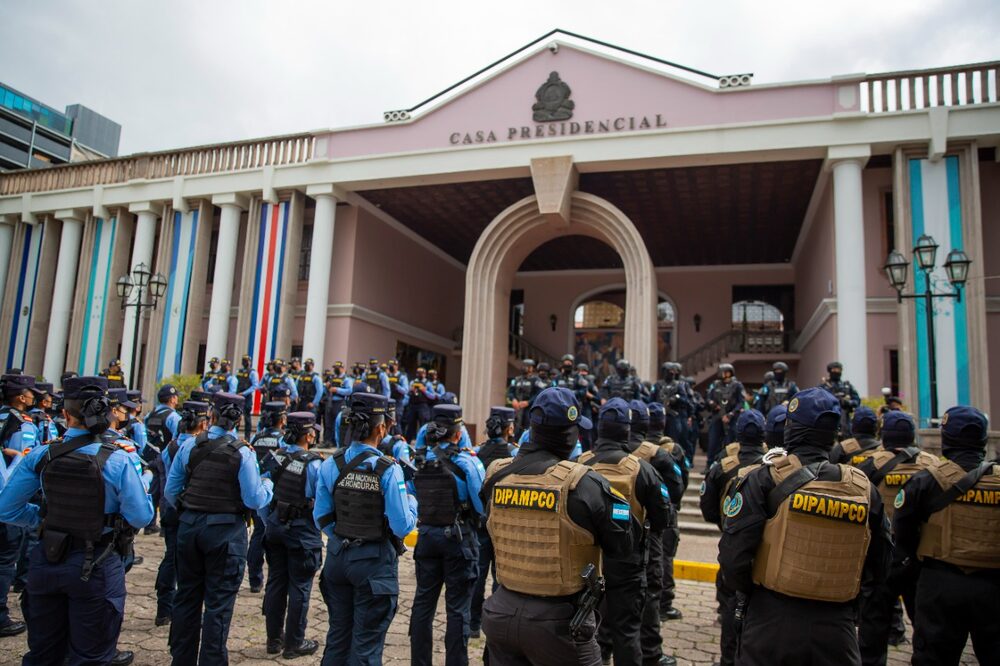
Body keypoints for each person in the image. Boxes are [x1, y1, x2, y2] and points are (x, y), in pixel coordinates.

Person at [718, 388, 891, 666]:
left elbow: (733, 557)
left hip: (770, 620)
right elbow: (881, 564)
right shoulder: (863, 488)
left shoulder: (763, 480)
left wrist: (752, 596)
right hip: (838, 626)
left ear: (791, 429)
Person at [0, 375, 153, 664]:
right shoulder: (118, 459)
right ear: (106, 413)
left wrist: (45, 519)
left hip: (47, 557)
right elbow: (141, 516)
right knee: (91, 656)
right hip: (97, 563)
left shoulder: (43, 454)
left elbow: (7, 508)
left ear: (65, 414)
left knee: (44, 653)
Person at [480, 387, 633, 665]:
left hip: (500, 614)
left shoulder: (497, 475)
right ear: (570, 436)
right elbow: (623, 545)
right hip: (559, 624)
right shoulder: (584, 484)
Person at [164, 392, 274, 665]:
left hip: (189, 528)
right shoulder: (243, 452)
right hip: (225, 533)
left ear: (210, 415)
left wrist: (191, 511)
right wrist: (268, 485)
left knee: (186, 597)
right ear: (239, 420)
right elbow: (254, 499)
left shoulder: (189, 445)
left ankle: (181, 659)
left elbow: (171, 491)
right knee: (218, 606)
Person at [313, 392, 417, 664]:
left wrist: (344, 537)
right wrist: (412, 503)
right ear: (381, 429)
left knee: (337, 637)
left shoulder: (331, 463)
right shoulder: (388, 470)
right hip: (373, 563)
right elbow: (401, 526)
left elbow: (321, 517)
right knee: (366, 646)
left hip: (337, 559)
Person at [892, 405, 999, 666]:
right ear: (982, 439)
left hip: (940, 582)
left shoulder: (926, 481)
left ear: (946, 438)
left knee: (933, 658)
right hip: (994, 585)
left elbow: (903, 531)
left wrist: (915, 565)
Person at [579, 398, 672, 666]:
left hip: (586, 565)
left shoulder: (578, 464)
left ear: (600, 427)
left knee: (587, 631)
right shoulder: (643, 470)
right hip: (627, 565)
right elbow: (662, 519)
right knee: (627, 632)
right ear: (627, 430)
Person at [855, 411, 937, 665]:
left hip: (881, 555)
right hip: (920, 556)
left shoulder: (870, 465)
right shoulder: (934, 466)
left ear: (884, 435)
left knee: (873, 626)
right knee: (928, 628)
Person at [410, 403, 486, 666]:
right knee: (457, 609)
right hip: (459, 540)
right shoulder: (467, 462)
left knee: (423, 605)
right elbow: (481, 507)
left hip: (426, 537)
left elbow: (412, 495)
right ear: (458, 434)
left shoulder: (419, 461)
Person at [699, 408, 771, 666]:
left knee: (731, 605)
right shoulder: (776, 467)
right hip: (769, 555)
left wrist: (728, 525)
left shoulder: (723, 466)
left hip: (732, 547)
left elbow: (708, 509)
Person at [261, 412, 324, 659]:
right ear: (308, 436)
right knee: (300, 587)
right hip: (302, 530)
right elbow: (322, 504)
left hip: (276, 525)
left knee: (276, 582)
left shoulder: (276, 457)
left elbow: (263, 495)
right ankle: (294, 643)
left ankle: (273, 639)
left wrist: (270, 520)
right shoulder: (315, 464)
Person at [626, 400, 683, 666]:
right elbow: (676, 490)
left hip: (614, 534)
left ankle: (604, 647)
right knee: (650, 589)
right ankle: (650, 652)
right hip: (649, 532)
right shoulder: (661, 454)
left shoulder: (603, 454)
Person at [155, 400, 210, 627]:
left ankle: (163, 608)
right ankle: (183, 612)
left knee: (171, 557)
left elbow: (168, 483)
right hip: (191, 510)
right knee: (191, 564)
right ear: (203, 423)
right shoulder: (198, 448)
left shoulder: (171, 446)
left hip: (170, 507)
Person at [470, 406, 516, 638]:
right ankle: (496, 624)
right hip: (503, 523)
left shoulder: (477, 452)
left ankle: (472, 624)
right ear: (509, 428)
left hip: (481, 521)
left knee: (478, 575)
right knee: (501, 576)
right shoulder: (514, 453)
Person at [0, 373, 39, 640]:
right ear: (21, 397)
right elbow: (23, 466)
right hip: (8, 496)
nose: (34, 396)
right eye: (31, 392)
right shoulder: (22, 424)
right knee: (5, 559)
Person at [646, 402, 688, 623]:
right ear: (662, 422)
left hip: (642, 511)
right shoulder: (673, 449)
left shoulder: (638, 448)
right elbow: (682, 481)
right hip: (666, 511)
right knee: (665, 556)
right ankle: (664, 604)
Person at [248, 401, 288, 593]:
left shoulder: (256, 437)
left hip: (257, 489)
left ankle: (255, 579)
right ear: (282, 419)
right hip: (275, 493)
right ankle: (275, 578)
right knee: (273, 537)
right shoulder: (283, 440)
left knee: (258, 534)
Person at [705, 363, 745, 471]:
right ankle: (709, 466)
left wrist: (731, 414)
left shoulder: (737, 385)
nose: (722, 374)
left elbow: (741, 402)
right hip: (717, 416)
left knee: (730, 444)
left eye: (724, 372)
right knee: (713, 442)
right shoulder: (715, 385)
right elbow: (708, 398)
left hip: (731, 418)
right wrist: (713, 404)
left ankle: (729, 466)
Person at [819, 361, 861, 439]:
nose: (837, 372)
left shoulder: (847, 386)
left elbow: (857, 401)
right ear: (830, 371)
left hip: (845, 421)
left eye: (839, 370)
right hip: (829, 420)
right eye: (834, 370)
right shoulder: (823, 387)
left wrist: (848, 402)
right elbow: (818, 402)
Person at [507, 359, 540, 437]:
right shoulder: (516, 379)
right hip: (517, 410)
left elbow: (539, 393)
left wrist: (528, 402)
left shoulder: (536, 380)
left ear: (532, 368)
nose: (526, 368)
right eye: (525, 366)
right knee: (515, 430)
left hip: (529, 409)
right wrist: (513, 399)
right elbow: (510, 392)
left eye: (528, 366)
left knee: (527, 430)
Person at [405, 366, 435, 441]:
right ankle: (408, 441)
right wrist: (411, 390)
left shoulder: (428, 383)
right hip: (413, 405)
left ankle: (423, 441)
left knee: (423, 424)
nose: (420, 375)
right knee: (410, 424)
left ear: (425, 374)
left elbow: (433, 396)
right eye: (418, 373)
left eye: (421, 373)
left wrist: (424, 390)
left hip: (423, 406)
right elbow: (407, 392)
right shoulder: (413, 382)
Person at [236, 355, 260, 439]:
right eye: (244, 360)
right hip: (238, 396)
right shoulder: (239, 371)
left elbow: (255, 386)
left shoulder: (252, 372)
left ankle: (247, 437)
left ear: (250, 362)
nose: (245, 362)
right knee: (236, 415)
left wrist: (244, 393)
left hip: (247, 397)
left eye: (246, 360)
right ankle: (235, 434)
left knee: (247, 417)